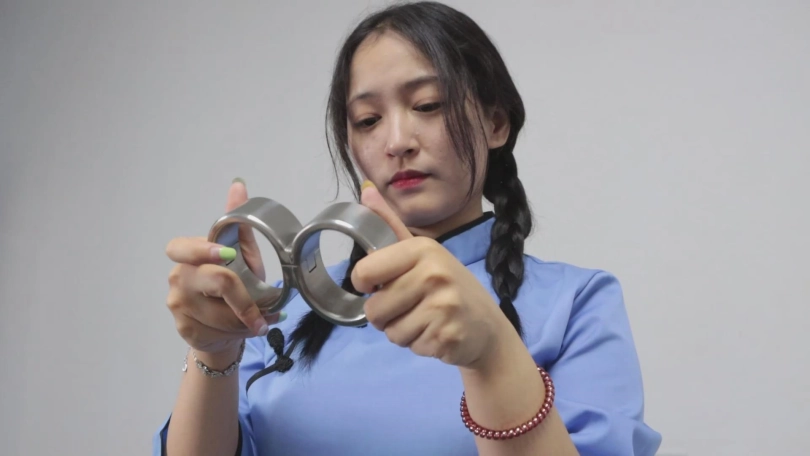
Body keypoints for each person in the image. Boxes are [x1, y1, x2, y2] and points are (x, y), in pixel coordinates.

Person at [153, 2, 662, 455]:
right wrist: (213, 349)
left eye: (427, 105)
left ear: (495, 123)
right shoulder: (281, 309)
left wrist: (493, 354)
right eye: (368, 120)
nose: (396, 141)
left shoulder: (577, 304)